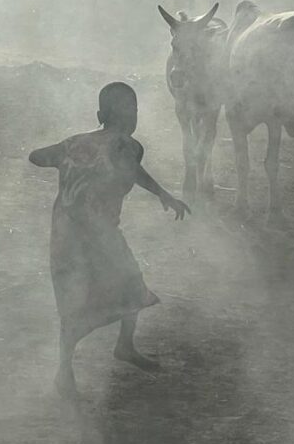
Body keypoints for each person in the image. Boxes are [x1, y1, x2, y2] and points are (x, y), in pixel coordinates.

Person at [29, 82, 191, 397]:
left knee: (73, 299)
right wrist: (164, 195)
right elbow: (133, 171)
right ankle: (121, 346)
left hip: (64, 232)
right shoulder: (129, 146)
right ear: (132, 117)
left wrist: (64, 154)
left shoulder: (75, 143)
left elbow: (37, 157)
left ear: (100, 114)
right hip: (98, 233)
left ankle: (69, 369)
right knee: (130, 282)